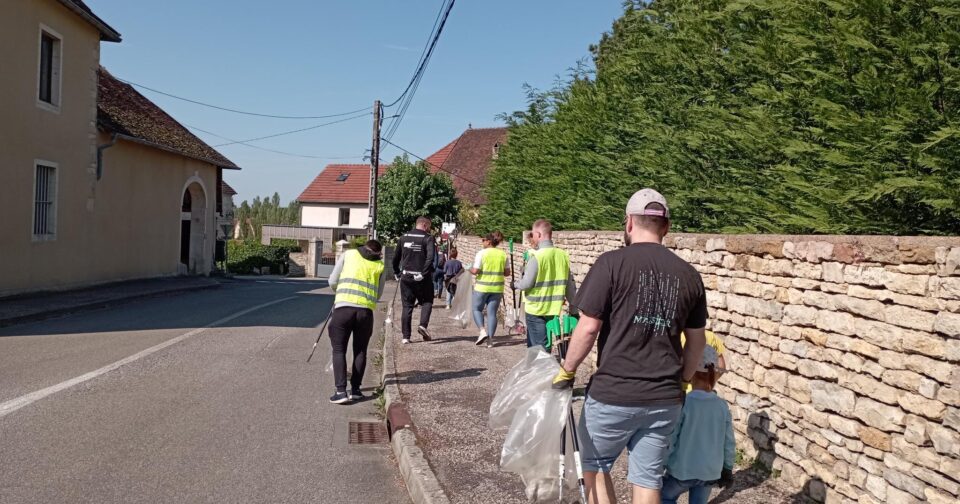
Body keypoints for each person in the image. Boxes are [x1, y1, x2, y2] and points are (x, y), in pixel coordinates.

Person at [552, 188, 708, 504]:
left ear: (628, 223)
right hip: (664, 398)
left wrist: (567, 370)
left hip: (614, 393)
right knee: (647, 480)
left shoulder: (611, 264)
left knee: (593, 469)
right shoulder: (689, 275)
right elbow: (696, 341)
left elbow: (588, 327)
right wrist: (683, 381)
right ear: (666, 227)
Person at [661, 345, 735, 504]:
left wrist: (662, 463)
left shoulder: (685, 403)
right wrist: (727, 468)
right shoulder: (722, 406)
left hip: (683, 469)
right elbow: (729, 442)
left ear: (690, 373)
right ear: (714, 374)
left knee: (665, 497)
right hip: (709, 473)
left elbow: (672, 438)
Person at [327, 239, 387, 404]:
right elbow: (378, 294)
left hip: (343, 309)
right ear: (378, 252)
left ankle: (340, 392)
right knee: (360, 350)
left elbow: (332, 281)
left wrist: (340, 292)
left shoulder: (348, 255)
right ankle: (356, 390)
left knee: (339, 350)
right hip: (365, 313)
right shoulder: (380, 266)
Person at [514, 219, 578, 349]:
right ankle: (537, 367)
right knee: (544, 345)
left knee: (539, 348)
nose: (532, 237)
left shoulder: (536, 257)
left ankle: (541, 369)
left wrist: (515, 284)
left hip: (535, 309)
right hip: (553, 309)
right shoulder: (562, 256)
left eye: (532, 234)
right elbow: (569, 286)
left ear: (538, 234)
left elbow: (526, 284)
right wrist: (574, 309)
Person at [392, 216, 436, 344]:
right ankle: (423, 325)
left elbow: (396, 257)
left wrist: (396, 272)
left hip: (406, 276)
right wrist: (423, 273)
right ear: (424, 225)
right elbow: (430, 257)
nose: (429, 229)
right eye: (429, 226)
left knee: (407, 306)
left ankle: (406, 337)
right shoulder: (428, 238)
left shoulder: (403, 237)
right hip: (422, 277)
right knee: (427, 301)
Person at [470, 231, 511, 347]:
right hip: (497, 288)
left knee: (476, 309)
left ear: (488, 242)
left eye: (483, 240)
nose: (482, 242)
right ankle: (491, 340)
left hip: (482, 287)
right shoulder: (503, 254)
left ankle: (482, 331)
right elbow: (507, 273)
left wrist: (468, 268)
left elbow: (475, 271)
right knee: (492, 313)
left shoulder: (481, 253)